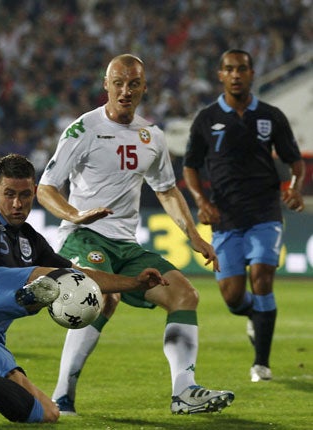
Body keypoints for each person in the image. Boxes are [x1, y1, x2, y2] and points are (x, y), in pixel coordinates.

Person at [0, 153, 168, 423]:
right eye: (9, 194)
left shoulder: (31, 239)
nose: (17, 203)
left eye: (25, 195)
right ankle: (30, 296)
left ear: (35, 192)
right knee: (49, 278)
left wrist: (134, 282)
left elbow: (77, 275)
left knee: (46, 413)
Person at [36, 54, 235, 415]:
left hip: (126, 244)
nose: (125, 90)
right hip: (84, 235)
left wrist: (192, 235)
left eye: (133, 84)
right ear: (106, 85)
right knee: (100, 297)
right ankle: (63, 395)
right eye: (118, 83)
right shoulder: (83, 129)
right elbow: (46, 188)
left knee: (185, 295)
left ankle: (184, 391)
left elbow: (167, 191)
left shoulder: (152, 137)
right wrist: (75, 214)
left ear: (144, 87)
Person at [183, 49, 305, 383]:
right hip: (225, 217)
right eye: (229, 69)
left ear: (252, 74)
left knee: (263, 277)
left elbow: (295, 161)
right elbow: (190, 165)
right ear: (220, 75)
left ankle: (261, 364)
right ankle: (253, 314)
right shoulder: (206, 119)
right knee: (233, 296)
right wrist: (200, 201)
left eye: (242, 69)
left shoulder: (271, 116)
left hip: (265, 211)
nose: (236, 75)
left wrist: (294, 187)